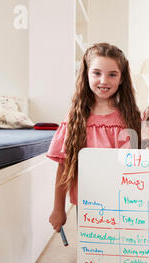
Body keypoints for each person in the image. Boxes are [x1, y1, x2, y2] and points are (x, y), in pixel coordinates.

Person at [47, 43, 141, 232]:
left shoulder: (131, 117)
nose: (104, 80)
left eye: (112, 74)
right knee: (94, 254)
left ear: (122, 78)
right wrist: (59, 208)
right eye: (97, 73)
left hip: (125, 202)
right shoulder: (75, 118)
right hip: (88, 199)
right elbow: (64, 166)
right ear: (87, 75)